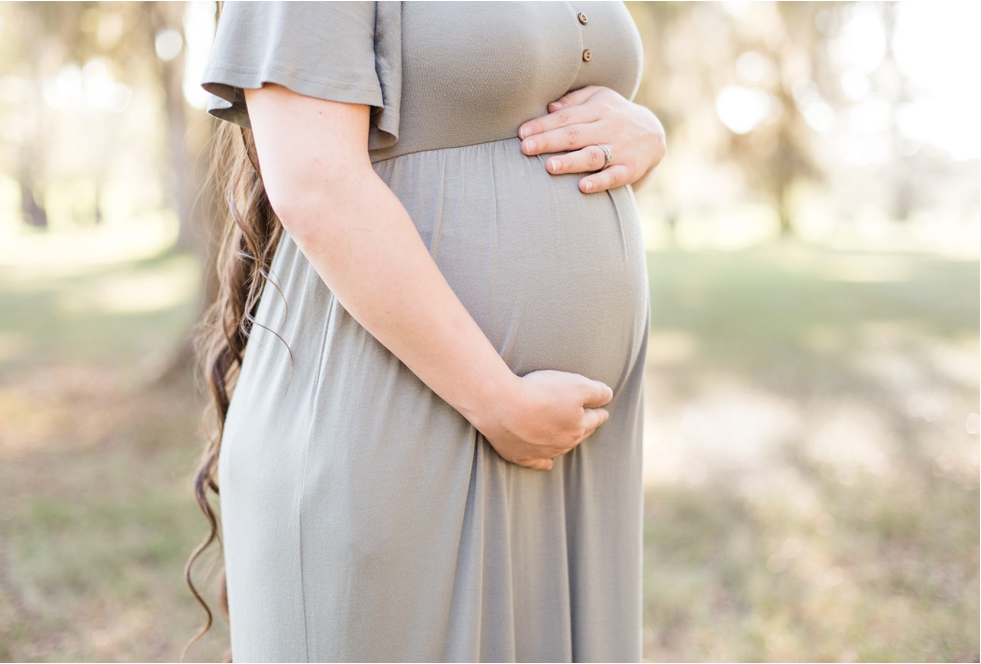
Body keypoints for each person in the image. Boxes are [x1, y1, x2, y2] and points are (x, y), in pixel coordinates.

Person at [186, 2, 666, 661]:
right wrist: (496, 400)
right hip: (405, 416)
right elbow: (313, 180)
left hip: (563, 453)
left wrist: (642, 129)